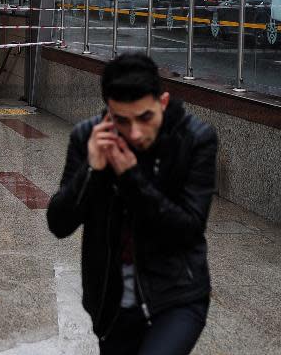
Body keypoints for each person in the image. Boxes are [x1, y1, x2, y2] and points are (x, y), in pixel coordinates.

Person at [47, 53, 218, 355]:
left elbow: (188, 229)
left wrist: (130, 177)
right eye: (122, 121)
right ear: (109, 112)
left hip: (176, 296)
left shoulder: (194, 139)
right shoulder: (88, 137)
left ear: (162, 103)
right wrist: (91, 169)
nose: (135, 132)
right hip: (111, 303)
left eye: (145, 118)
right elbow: (59, 224)